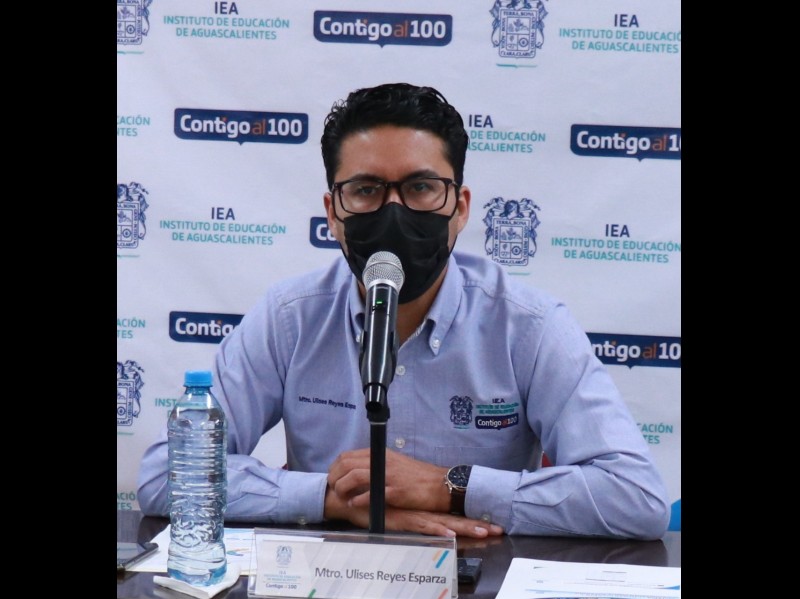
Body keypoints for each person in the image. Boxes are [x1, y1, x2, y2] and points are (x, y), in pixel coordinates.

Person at [137, 82, 670, 540]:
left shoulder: (528, 326)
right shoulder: (289, 317)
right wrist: (331, 499)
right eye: (366, 190)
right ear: (333, 213)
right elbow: (165, 476)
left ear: (459, 208)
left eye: (421, 187)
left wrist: (449, 487)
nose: (394, 212)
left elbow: (635, 497)